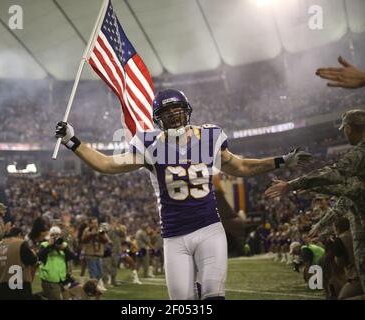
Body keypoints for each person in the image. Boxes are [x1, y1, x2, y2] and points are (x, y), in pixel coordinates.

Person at [55, 88, 312, 300]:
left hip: (209, 229)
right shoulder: (150, 146)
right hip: (174, 236)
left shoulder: (209, 136)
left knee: (213, 296)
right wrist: (72, 142)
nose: (174, 117)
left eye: (177, 111)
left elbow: (242, 166)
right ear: (158, 119)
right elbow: (106, 164)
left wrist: (280, 161)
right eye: (166, 113)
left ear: (187, 111)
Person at [265, 109, 365, 293]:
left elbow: (337, 174)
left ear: (349, 129)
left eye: (345, 130)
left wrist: (293, 184)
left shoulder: (361, 152)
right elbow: (349, 195)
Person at [0, 227, 38, 300]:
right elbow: (34, 261)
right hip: (19, 288)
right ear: (19, 235)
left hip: (0, 289)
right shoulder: (20, 243)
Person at [38, 226, 76, 300]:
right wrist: (49, 246)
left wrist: (64, 249)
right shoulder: (45, 244)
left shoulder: (63, 245)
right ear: (49, 236)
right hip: (50, 280)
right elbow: (39, 256)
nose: (55, 237)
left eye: (57, 235)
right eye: (53, 235)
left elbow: (72, 256)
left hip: (62, 280)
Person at [82, 217, 109, 292]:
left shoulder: (100, 230)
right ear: (90, 224)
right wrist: (91, 234)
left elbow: (105, 241)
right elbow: (84, 240)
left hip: (99, 255)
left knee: (100, 273)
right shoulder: (87, 230)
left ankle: (95, 286)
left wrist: (101, 235)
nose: (95, 225)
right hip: (90, 255)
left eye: (96, 223)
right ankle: (94, 289)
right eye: (93, 223)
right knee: (93, 273)